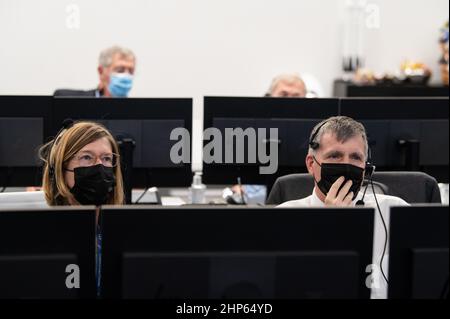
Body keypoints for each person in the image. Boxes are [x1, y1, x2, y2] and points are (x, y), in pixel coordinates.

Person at [278, 116, 409, 299]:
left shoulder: (395, 210)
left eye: (355, 157)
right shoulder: (284, 218)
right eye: (335, 156)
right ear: (311, 164)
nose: (346, 165)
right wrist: (332, 225)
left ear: (366, 167)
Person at [54, 45, 136, 98]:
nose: (126, 75)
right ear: (101, 72)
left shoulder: (136, 111)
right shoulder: (66, 99)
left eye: (131, 71)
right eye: (120, 70)